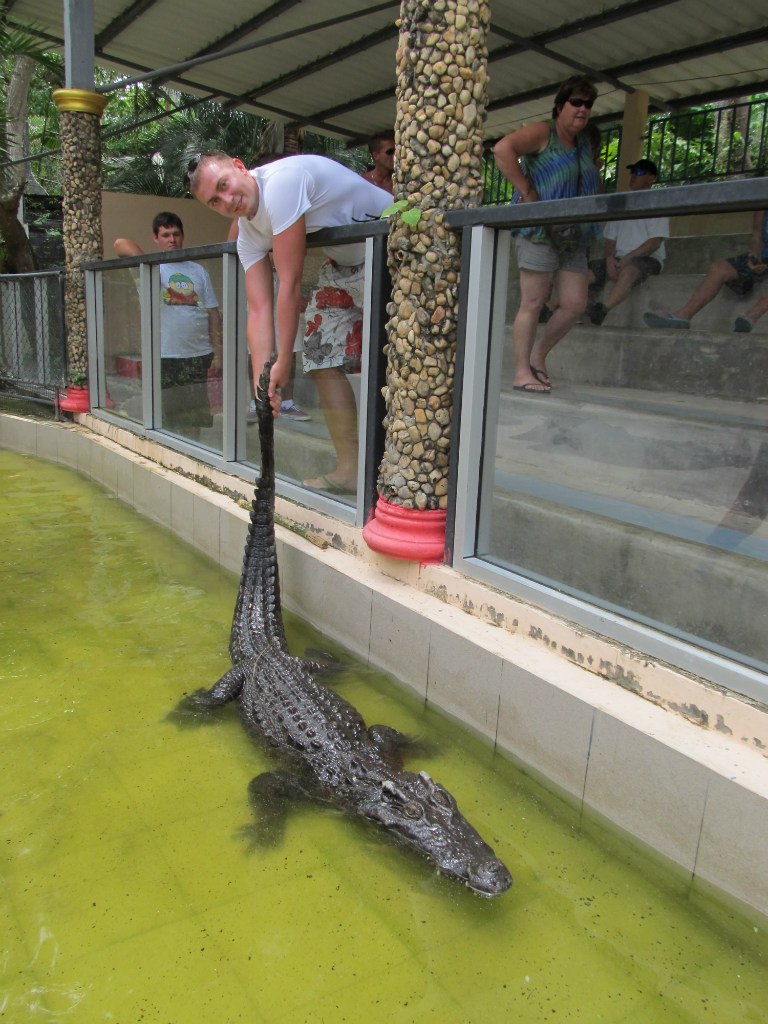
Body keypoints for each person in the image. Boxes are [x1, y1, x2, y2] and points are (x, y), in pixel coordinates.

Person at [186, 152, 391, 493]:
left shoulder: (281, 183)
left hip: (392, 248)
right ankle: (351, 469)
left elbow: (290, 284)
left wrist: (282, 360)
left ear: (239, 166)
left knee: (404, 359)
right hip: (344, 265)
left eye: (223, 185)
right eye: (214, 201)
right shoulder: (248, 234)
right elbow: (258, 308)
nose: (226, 200)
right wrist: (261, 383)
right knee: (319, 357)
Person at [494, 75, 601, 393]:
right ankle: (521, 372)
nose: (582, 109)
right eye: (576, 102)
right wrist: (527, 191)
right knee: (534, 301)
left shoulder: (583, 144)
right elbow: (503, 149)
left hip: (573, 233)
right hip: (540, 231)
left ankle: (538, 357)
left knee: (574, 303)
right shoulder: (545, 132)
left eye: (588, 104)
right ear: (560, 106)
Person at [113, 212, 221, 438]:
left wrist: (218, 351)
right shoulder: (150, 270)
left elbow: (212, 312)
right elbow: (120, 244)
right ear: (156, 238)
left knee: (194, 415)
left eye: (176, 234)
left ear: (183, 236)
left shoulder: (198, 271)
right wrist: (148, 264)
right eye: (165, 235)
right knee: (167, 415)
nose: (172, 239)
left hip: (197, 355)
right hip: (164, 355)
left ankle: (192, 454)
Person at [644, 209, 768, 333]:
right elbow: (757, 236)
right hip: (764, 257)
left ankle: (750, 317)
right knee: (718, 268)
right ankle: (683, 316)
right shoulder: (762, 203)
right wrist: (754, 258)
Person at [587, 158, 668, 325]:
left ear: (651, 178)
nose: (633, 176)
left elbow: (655, 242)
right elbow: (610, 239)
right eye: (632, 172)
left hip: (648, 258)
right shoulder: (622, 202)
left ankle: (602, 309)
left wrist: (629, 258)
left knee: (630, 270)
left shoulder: (658, 202)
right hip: (619, 258)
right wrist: (610, 259)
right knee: (584, 273)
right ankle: (562, 309)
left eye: (639, 173)